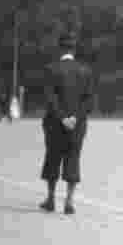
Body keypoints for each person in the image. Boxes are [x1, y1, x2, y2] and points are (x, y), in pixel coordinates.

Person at [40, 32, 95, 215]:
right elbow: (89, 101)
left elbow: (50, 98)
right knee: (73, 158)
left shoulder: (51, 69)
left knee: (53, 158)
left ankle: (50, 199)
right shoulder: (86, 71)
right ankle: (69, 201)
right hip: (77, 125)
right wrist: (74, 118)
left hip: (55, 123)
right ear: (74, 49)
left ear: (60, 48)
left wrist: (62, 117)